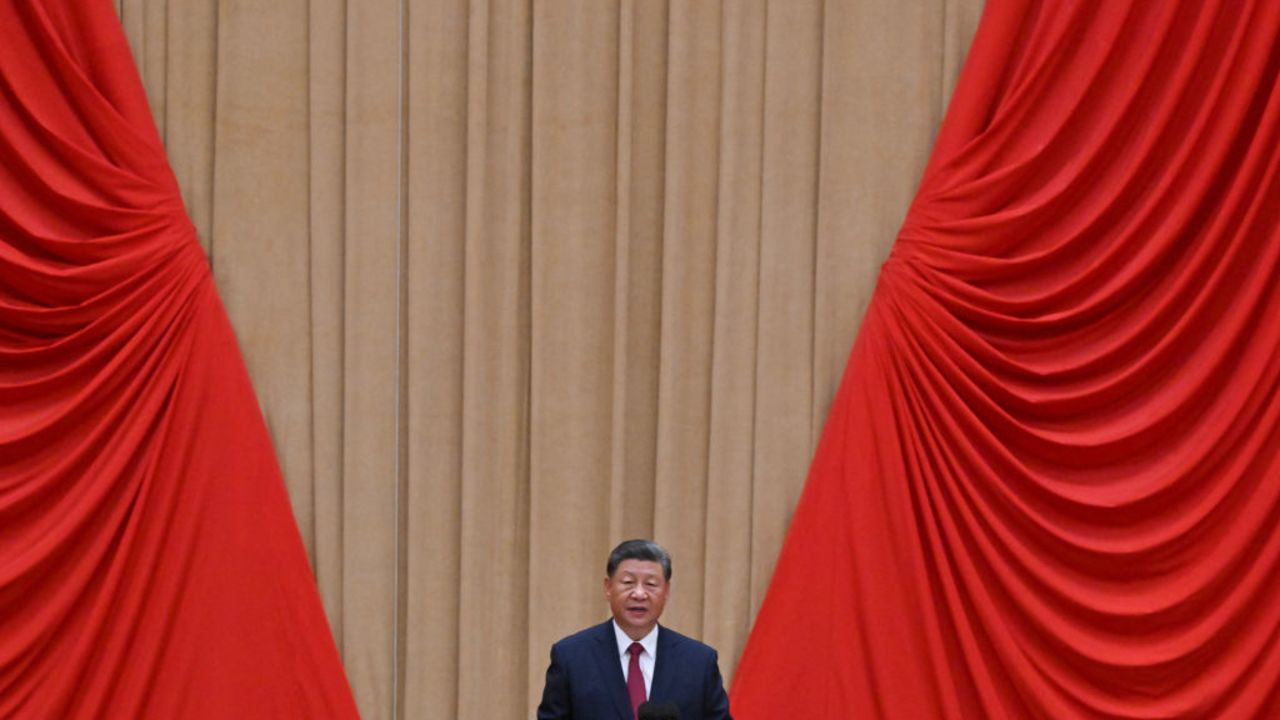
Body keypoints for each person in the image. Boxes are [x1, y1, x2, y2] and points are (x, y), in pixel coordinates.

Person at [536, 539, 733, 720]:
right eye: (628, 582)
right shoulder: (571, 656)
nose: (639, 594)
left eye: (651, 584)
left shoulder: (698, 662)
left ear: (666, 591)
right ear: (608, 587)